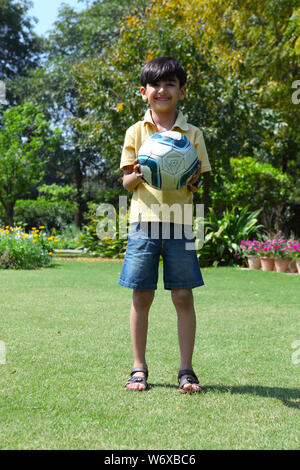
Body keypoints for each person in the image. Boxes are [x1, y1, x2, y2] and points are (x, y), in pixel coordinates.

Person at [119, 57, 211, 393]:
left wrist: (184, 177)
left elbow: (195, 181)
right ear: (143, 92)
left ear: (182, 92)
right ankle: (138, 367)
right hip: (144, 224)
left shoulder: (193, 134)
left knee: (183, 296)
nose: (163, 90)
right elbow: (127, 182)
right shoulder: (136, 131)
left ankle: (186, 370)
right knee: (141, 295)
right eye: (155, 85)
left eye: (170, 84)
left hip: (181, 225)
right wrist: (143, 172)